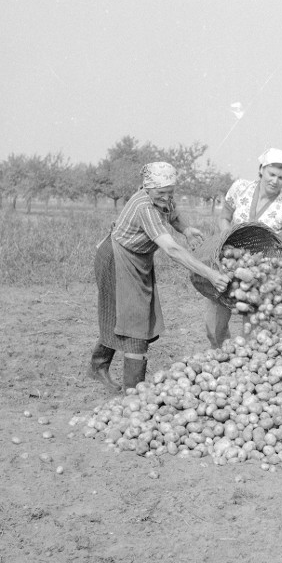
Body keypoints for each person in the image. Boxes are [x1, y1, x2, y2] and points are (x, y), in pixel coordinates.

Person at [90, 161, 228, 393]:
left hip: (138, 259)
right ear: (147, 188)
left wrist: (186, 229)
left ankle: (97, 365)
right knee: (135, 323)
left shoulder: (162, 198)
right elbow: (172, 250)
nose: (166, 197)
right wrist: (210, 274)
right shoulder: (145, 207)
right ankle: (133, 393)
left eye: (170, 192)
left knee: (124, 315)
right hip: (116, 257)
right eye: (161, 192)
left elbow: (172, 214)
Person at [203, 147, 282, 348]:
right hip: (226, 266)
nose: (275, 180)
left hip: (258, 276)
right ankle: (222, 359)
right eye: (271, 174)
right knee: (214, 328)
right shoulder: (240, 188)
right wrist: (227, 240)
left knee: (253, 334)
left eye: (281, 177)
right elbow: (224, 218)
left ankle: (247, 369)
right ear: (261, 169)